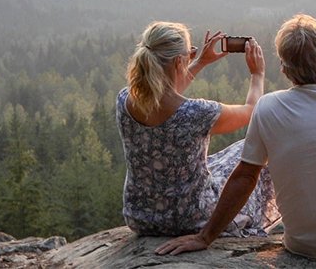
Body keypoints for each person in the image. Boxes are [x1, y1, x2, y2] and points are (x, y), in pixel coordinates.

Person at [156, 14, 316, 264]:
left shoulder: (268, 107)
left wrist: (205, 237)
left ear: (284, 69)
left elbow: (245, 176)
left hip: (302, 244)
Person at [116, 21, 279, 237]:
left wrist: (200, 61)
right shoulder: (197, 113)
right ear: (178, 62)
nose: (193, 56)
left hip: (140, 217)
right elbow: (251, 111)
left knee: (218, 163)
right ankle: (254, 221)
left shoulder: (125, 100)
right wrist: (257, 74)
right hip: (191, 218)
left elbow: (161, 93)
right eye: (190, 54)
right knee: (254, 151)